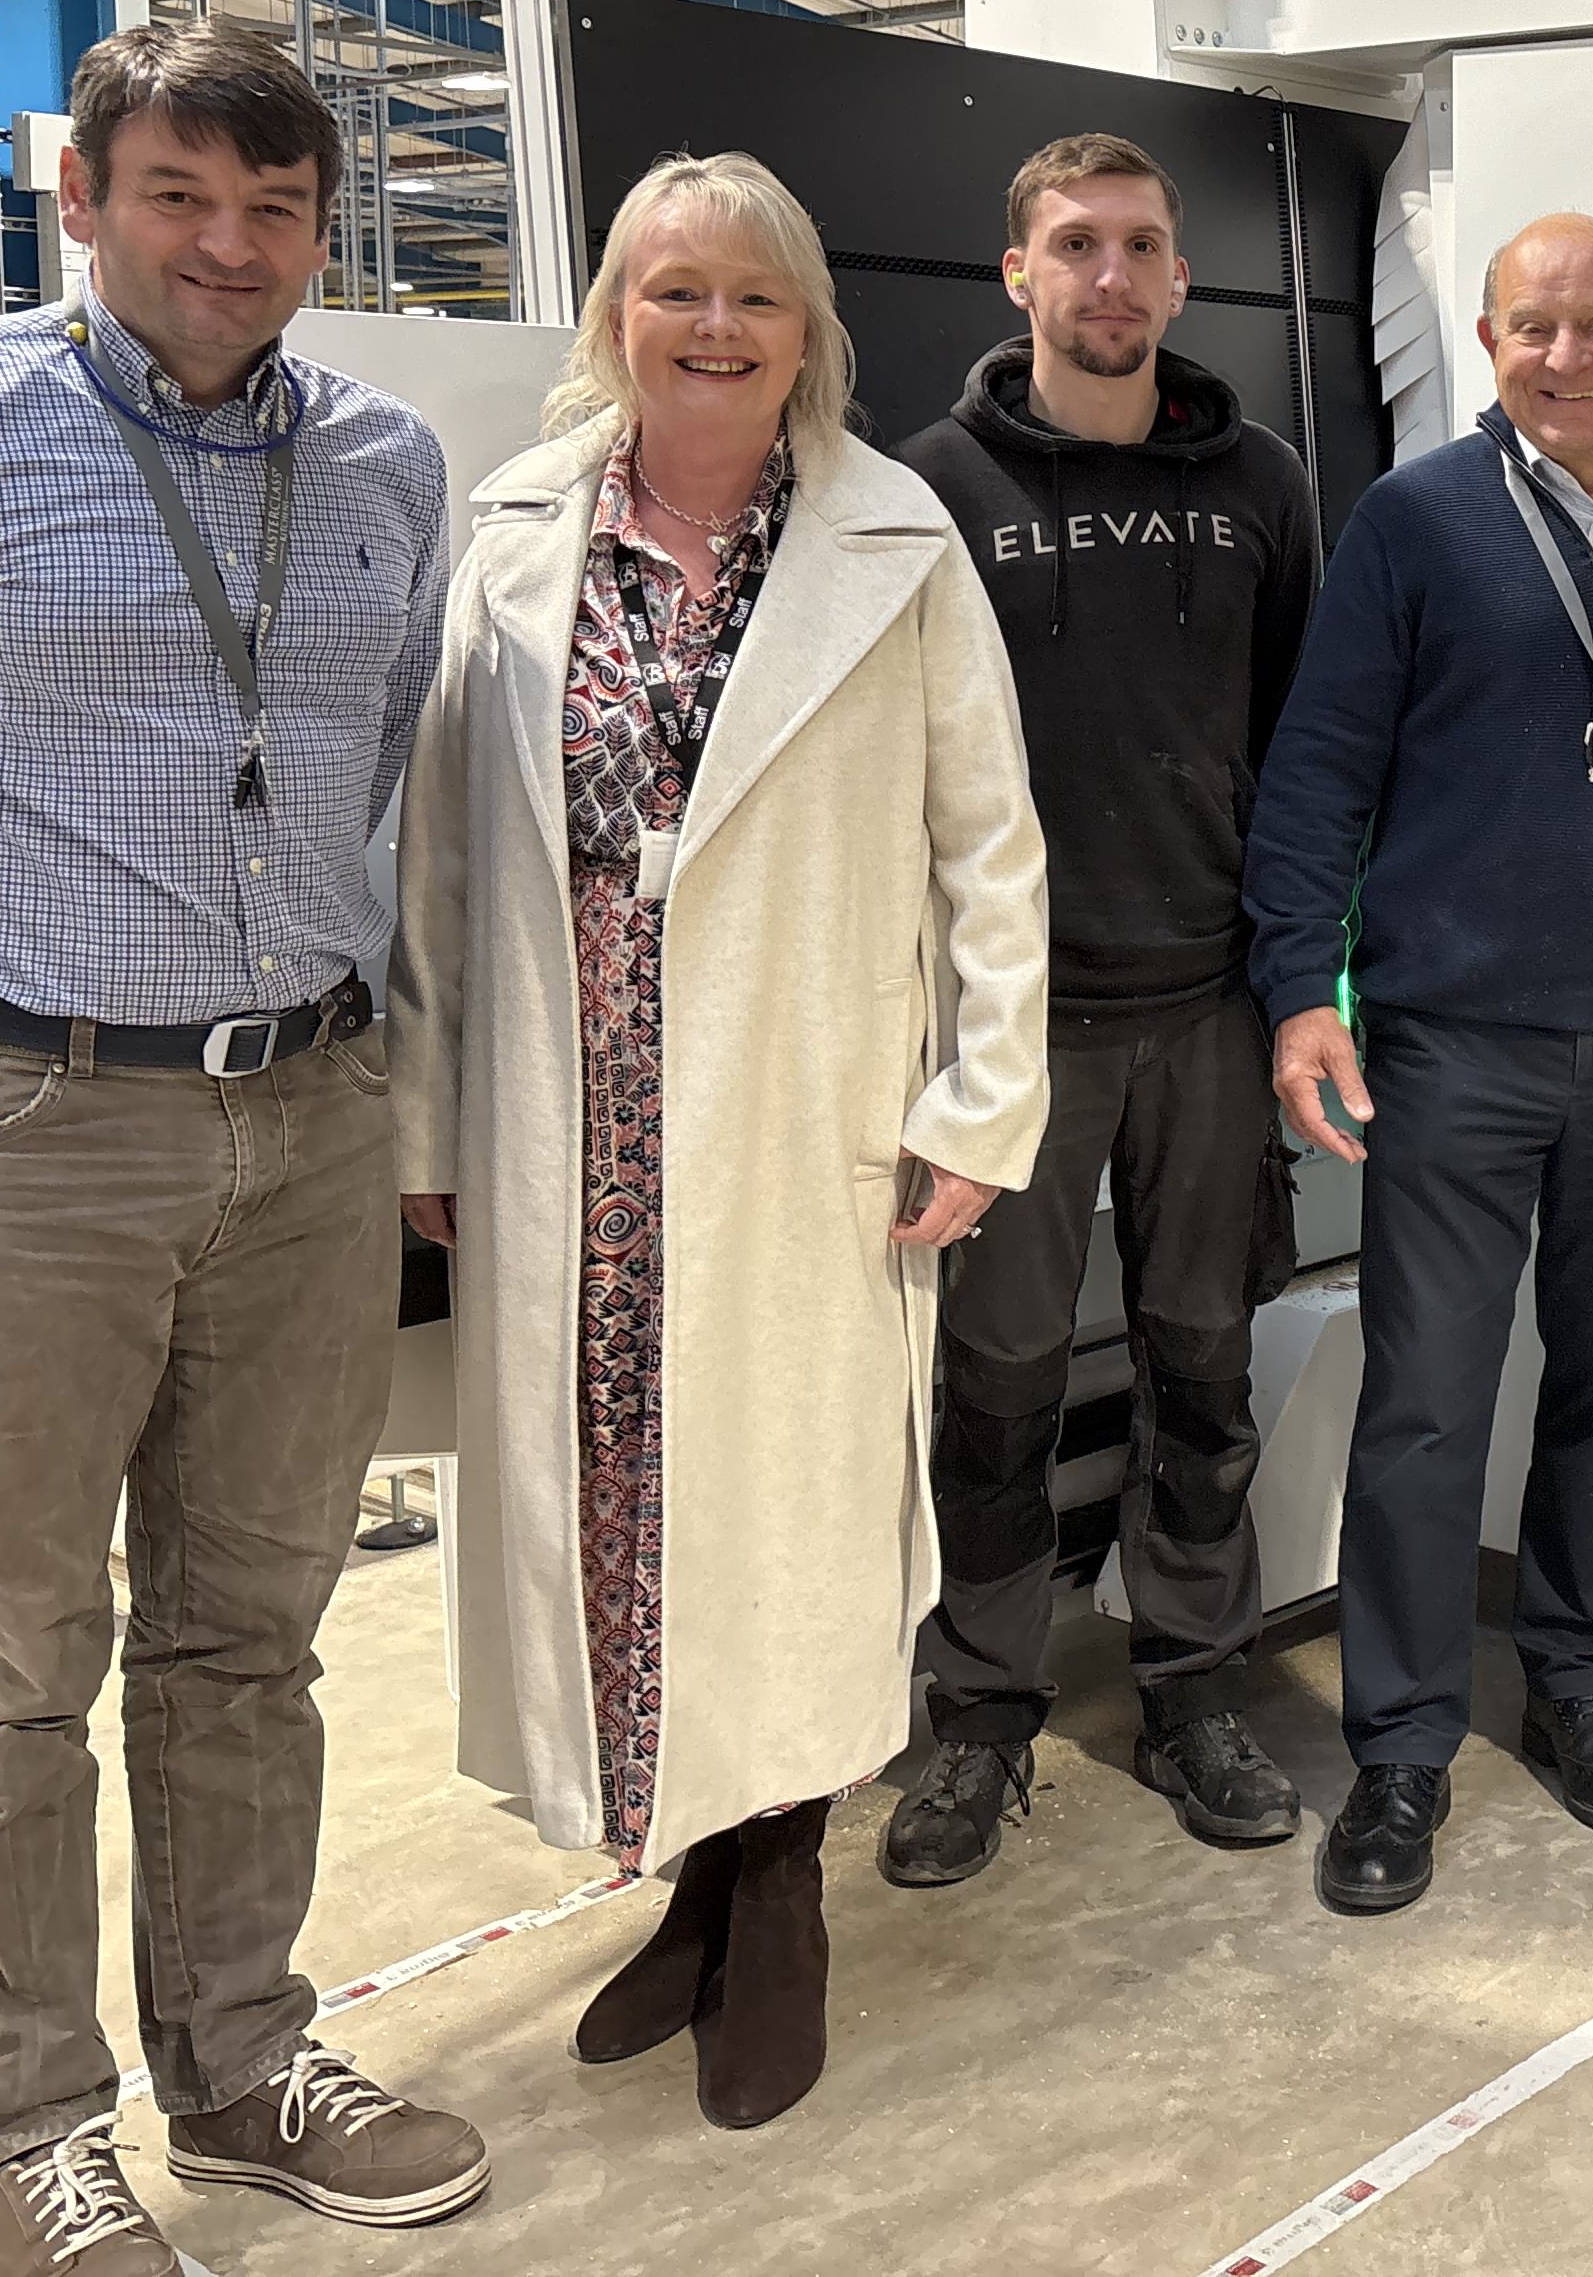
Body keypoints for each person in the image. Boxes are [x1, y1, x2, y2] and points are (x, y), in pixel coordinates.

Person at [0, 21, 488, 2277]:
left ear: (326, 226)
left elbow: (375, 792)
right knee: (12, 1656)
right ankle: (31, 2128)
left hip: (301, 1111)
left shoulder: (390, 466)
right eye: (182, 198)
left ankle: (240, 2060)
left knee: (252, 1633)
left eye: (277, 208)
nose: (230, 246)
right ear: (87, 202)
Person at [390, 151, 1048, 2133]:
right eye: (674, 290)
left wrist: (983, 1102)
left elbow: (992, 853)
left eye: (754, 297)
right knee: (625, 1524)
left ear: (807, 332)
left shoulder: (894, 537)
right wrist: (427, 1109)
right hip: (566, 1139)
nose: (711, 326)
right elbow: (434, 860)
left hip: (799, 1122)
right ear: (615, 314)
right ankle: (683, 1877)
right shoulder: (513, 534)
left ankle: (778, 1895)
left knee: (782, 1522)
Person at [1245, 211, 1593, 1915]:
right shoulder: (1413, 523)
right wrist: (1301, 987)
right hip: (1454, 1049)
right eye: (1530, 332)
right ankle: (1403, 1748)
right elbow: (1319, 772)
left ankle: (1576, 1684)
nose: (1566, 360)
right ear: (1487, 347)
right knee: (1425, 1407)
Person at [880, 133, 1322, 1885]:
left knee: (1201, 1366)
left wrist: (1306, 985)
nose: (1111, 277)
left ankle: (1196, 1681)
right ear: (1019, 275)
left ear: (1179, 276)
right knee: (990, 1388)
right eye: (1077, 245)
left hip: (1210, 1008)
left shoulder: (1265, 485)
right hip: (1013, 1035)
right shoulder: (920, 489)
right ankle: (978, 1715)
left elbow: (1305, 754)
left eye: (1142, 245)